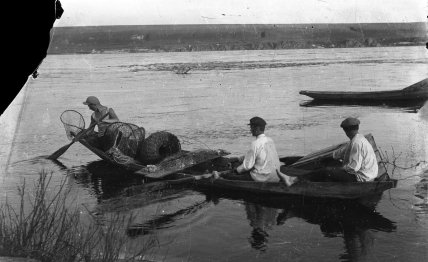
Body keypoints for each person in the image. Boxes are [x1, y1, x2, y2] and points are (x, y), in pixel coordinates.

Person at [214, 116, 296, 186]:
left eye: (251, 127)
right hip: (276, 176)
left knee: (233, 176)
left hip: (262, 178)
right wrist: (241, 160)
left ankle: (219, 177)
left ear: (256, 128)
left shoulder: (255, 143)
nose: (250, 130)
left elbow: (247, 166)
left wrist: (235, 171)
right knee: (248, 169)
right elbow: (258, 156)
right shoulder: (270, 140)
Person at [311, 117, 378, 182]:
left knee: (326, 171)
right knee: (331, 163)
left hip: (362, 178)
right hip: (369, 174)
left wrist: (336, 169)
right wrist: (327, 157)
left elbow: (353, 168)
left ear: (346, 130)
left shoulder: (356, 143)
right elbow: (342, 152)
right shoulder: (359, 138)